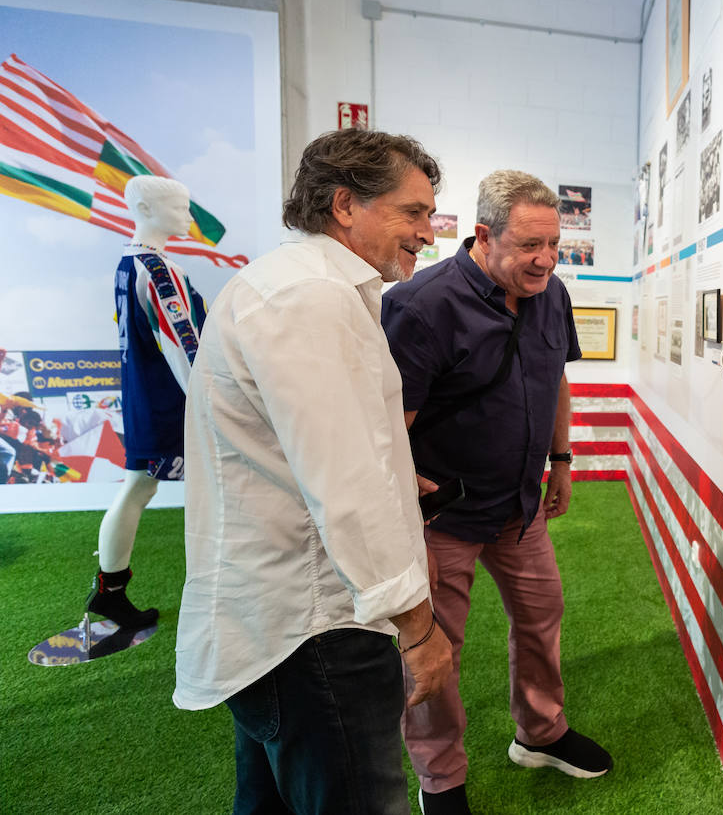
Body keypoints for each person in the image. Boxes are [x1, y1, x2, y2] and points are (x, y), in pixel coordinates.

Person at [174, 129, 454, 815]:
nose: (428, 231)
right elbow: (347, 489)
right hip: (316, 628)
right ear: (344, 205)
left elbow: (309, 450)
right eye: (412, 212)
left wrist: (394, 483)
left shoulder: (297, 286)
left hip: (286, 620)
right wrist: (418, 629)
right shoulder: (312, 298)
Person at [381, 170, 611, 815]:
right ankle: (441, 780)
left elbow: (556, 379)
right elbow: (387, 427)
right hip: (443, 519)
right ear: (484, 235)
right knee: (433, 652)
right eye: (530, 245)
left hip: (521, 509)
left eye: (554, 245)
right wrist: (402, 501)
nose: (545, 260)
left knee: (541, 619)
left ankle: (540, 734)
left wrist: (561, 460)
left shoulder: (552, 293)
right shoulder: (421, 306)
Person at [85, 176, 205, 646]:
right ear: (147, 208)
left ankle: (110, 592)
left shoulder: (126, 262)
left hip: (143, 393)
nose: (188, 217)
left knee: (137, 488)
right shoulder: (158, 270)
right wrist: (208, 402)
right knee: (159, 488)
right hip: (169, 400)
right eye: (180, 207)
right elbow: (181, 345)